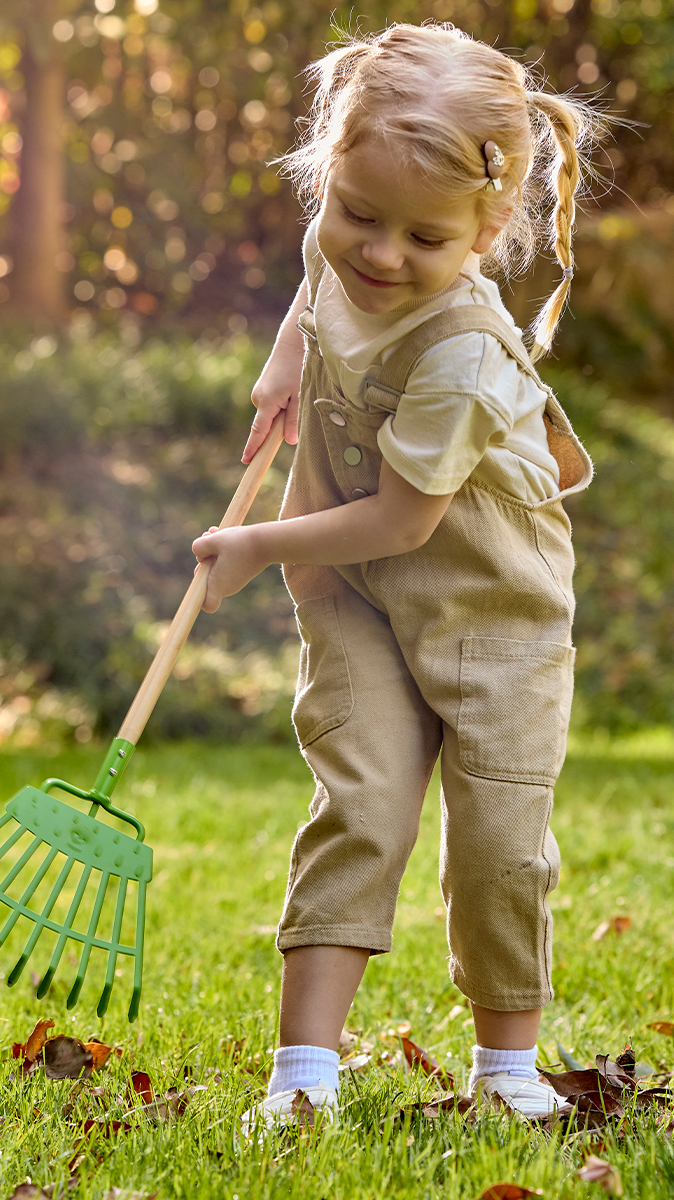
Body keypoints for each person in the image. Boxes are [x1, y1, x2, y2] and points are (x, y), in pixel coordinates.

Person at [191, 23, 602, 1127]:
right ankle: (303, 1079)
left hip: (488, 609)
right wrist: (288, 355)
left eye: (424, 237)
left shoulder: (461, 351)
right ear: (331, 179)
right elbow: (319, 276)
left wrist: (256, 548)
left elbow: (400, 520)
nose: (379, 253)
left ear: (487, 227)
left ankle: (507, 1065)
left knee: (500, 839)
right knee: (360, 805)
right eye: (358, 212)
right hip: (356, 600)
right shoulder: (347, 248)